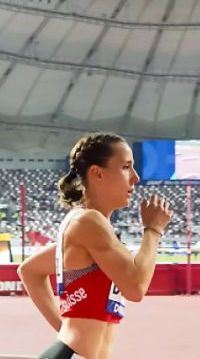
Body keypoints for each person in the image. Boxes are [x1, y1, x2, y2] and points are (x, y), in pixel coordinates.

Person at [18, 133, 172, 359]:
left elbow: (29, 271)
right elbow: (136, 288)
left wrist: (65, 331)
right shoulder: (88, 222)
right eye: (126, 167)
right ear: (97, 173)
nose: (136, 178)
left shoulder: (82, 223)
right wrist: (153, 230)